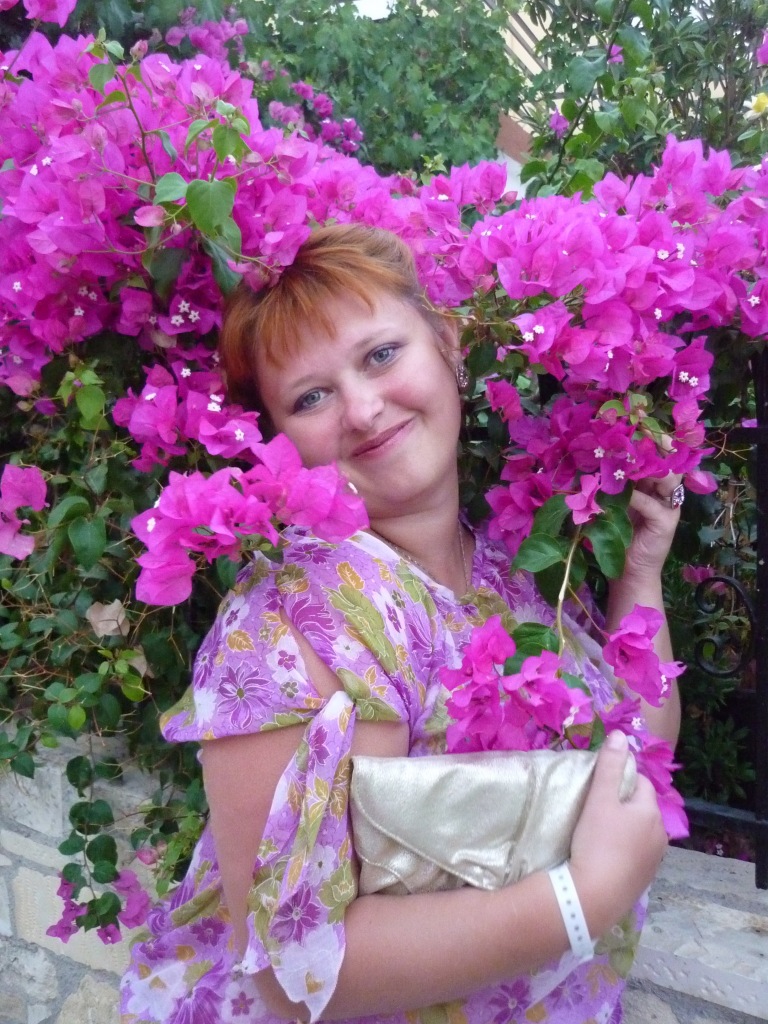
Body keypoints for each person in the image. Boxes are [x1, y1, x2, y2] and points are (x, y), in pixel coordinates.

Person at [120, 224, 679, 1024]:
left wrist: (640, 574)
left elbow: (639, 753)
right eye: (310, 397)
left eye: (381, 355)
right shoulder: (291, 626)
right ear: (281, 440)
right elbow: (293, 972)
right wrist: (579, 901)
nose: (363, 408)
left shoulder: (515, 569)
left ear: (446, 343)